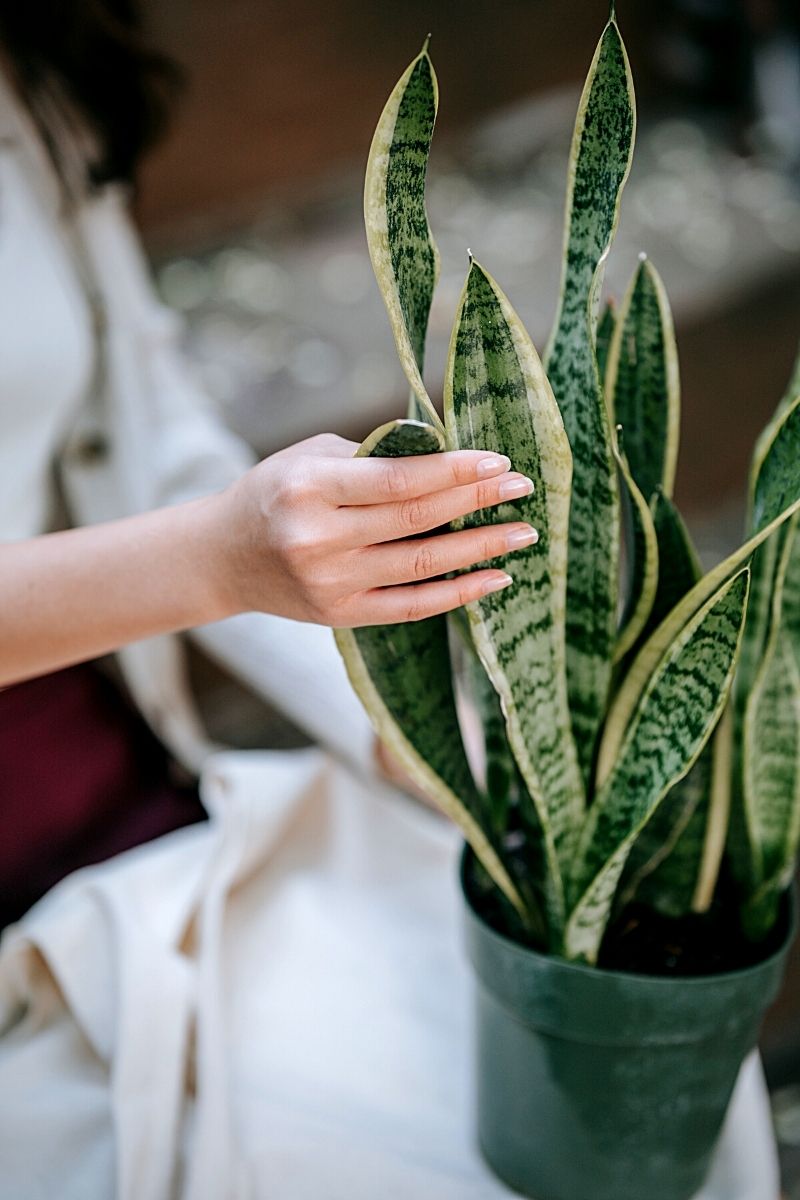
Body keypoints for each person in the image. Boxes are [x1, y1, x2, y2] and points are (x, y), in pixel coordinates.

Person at [0, 1, 535, 928]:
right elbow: (206, 538)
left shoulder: (29, 74)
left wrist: (415, 739)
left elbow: (158, 446)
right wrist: (214, 558)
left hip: (87, 760)